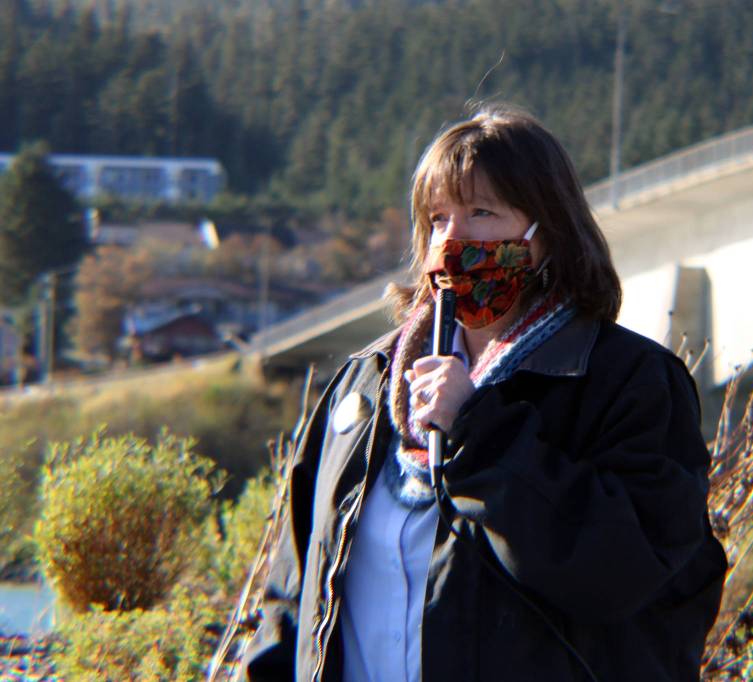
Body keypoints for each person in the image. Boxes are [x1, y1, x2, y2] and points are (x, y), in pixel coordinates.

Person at [241, 105, 728, 682]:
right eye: (437, 217)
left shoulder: (628, 382)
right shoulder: (364, 386)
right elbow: (294, 593)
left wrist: (479, 431)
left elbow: (625, 573)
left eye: (481, 212)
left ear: (548, 230)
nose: (454, 239)